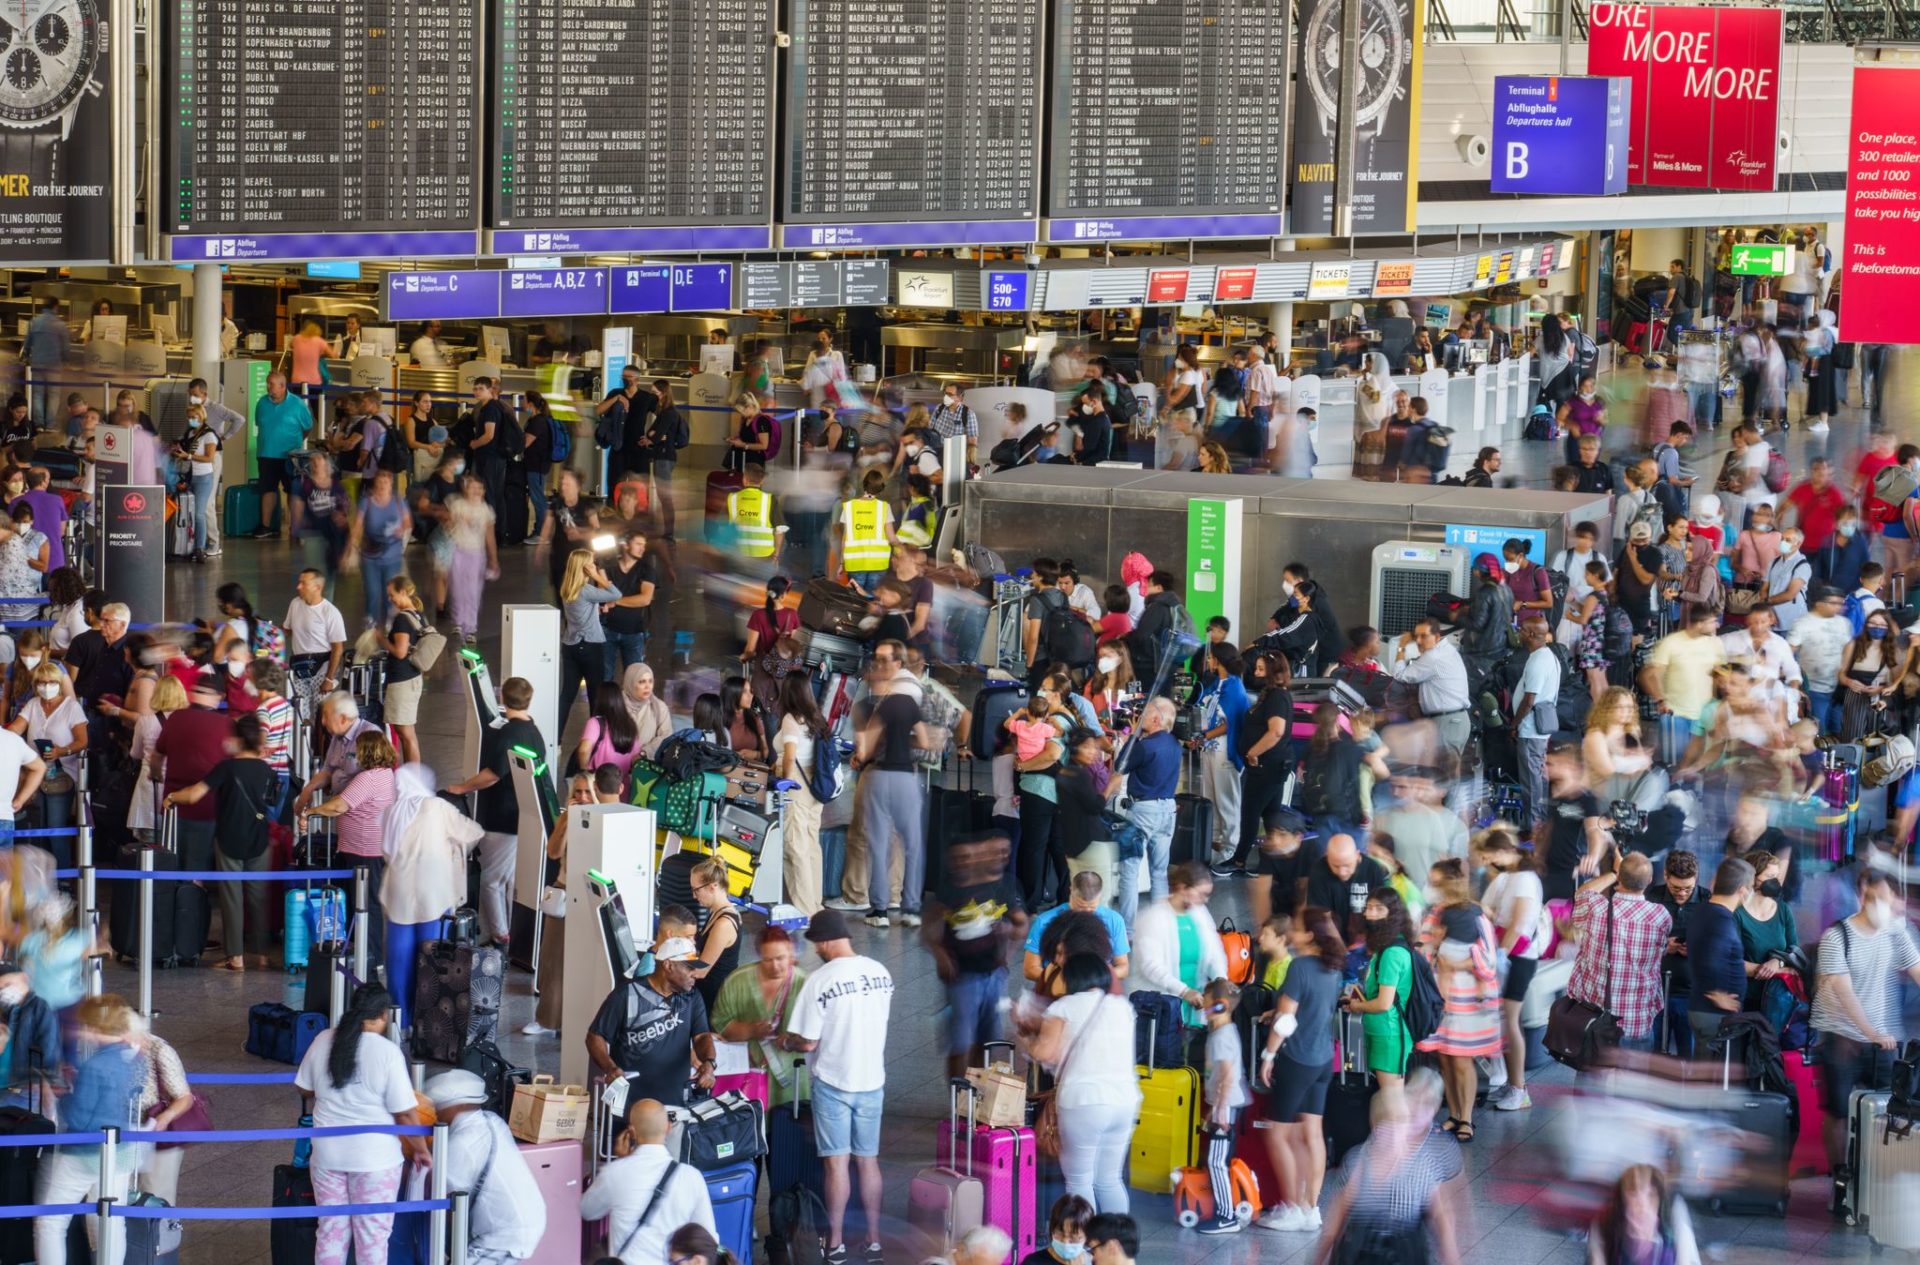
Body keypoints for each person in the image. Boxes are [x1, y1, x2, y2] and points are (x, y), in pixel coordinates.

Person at [779, 910, 895, 1265]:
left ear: (825, 941)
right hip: (872, 1080)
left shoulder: (820, 980)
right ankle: (874, 1241)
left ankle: (837, 1243)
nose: (817, 950)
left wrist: (787, 1041)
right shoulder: (881, 973)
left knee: (837, 1165)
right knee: (869, 1162)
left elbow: (809, 1042)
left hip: (833, 1082)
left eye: (817, 943)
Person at [294, 984, 430, 1265]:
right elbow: (404, 1113)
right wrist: (419, 1148)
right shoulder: (387, 1052)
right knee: (373, 1238)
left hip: (327, 1156)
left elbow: (304, 1089)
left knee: (330, 1232)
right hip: (375, 1161)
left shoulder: (324, 1040)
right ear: (382, 1015)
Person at [1813, 864, 1920, 1168]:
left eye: (1889, 899)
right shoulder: (1837, 937)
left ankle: (1873, 1176)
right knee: (1838, 1112)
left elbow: (1917, 969)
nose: (1885, 906)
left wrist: (1877, 1035)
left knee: (1889, 1109)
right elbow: (1843, 993)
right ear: (1862, 896)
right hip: (1840, 1037)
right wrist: (1869, 1032)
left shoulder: (1896, 931)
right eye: (1878, 898)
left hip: (1882, 1042)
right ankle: (1840, 1176)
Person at [32, 994, 145, 1265]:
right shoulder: (134, 1059)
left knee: (51, 1220)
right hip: (121, 1152)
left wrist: (62, 1096)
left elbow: (79, 1117)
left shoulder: (95, 1066)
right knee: (110, 1222)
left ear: (96, 1028)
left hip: (83, 1154)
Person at [163, 712, 279, 971]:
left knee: (232, 898)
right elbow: (272, 806)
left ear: (238, 739)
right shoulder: (268, 770)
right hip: (260, 839)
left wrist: (172, 796)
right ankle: (261, 955)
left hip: (229, 838)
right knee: (259, 898)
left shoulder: (226, 768)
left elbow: (194, 795)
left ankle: (235, 957)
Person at [1311, 1067, 1464, 1265]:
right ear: (1374, 1127)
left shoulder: (1421, 1166)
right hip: (1378, 1251)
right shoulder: (1358, 1161)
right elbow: (1333, 1225)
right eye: (1387, 1126)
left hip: (1377, 1251)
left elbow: (1442, 1219)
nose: (1393, 1133)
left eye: (1400, 1124)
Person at [1027, 951, 1138, 1215]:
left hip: (1084, 1101)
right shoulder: (1123, 1006)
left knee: (1079, 1181)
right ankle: (1116, 1248)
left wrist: (1025, 1036)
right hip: (1125, 1100)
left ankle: (1083, 1251)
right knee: (1110, 1180)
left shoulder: (1063, 1007)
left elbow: (1045, 1053)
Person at [445, 677, 547, 949]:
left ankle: (501, 934)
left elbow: (492, 775)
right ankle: (508, 930)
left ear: (503, 698)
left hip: (502, 816)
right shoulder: (534, 732)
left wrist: (462, 787)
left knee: (491, 880)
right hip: (522, 816)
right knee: (508, 878)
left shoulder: (508, 734)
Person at [381, 763, 481, 1027]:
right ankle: (426, 1020)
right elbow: (473, 832)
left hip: (398, 894)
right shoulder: (437, 807)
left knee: (398, 959)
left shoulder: (391, 811)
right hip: (433, 895)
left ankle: (398, 1020)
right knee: (431, 959)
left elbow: (386, 850)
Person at [925, 831, 1028, 1078]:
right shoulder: (950, 889)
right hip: (962, 978)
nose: (999, 856)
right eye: (992, 851)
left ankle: (976, 1095)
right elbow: (928, 926)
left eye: (1004, 851)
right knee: (961, 1042)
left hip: (993, 975)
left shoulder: (1004, 884)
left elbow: (1021, 924)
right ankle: (957, 1097)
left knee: (987, 1041)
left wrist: (1008, 945)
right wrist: (940, 953)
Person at [298, 732, 400, 971]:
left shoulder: (369, 778)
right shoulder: (387, 775)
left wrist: (312, 812)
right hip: (371, 848)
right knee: (367, 903)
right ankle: (368, 953)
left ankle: (372, 957)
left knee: (365, 904)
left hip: (363, 851)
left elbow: (339, 806)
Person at [1414, 861, 1500, 1142]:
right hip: (1440, 995)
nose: (1431, 887)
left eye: (1435, 882)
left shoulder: (1475, 915)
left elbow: (1488, 958)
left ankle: (1466, 1118)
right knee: (1446, 1058)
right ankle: (1453, 1113)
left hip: (1466, 998)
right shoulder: (1433, 914)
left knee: (1462, 1059)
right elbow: (1422, 950)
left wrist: (1459, 963)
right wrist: (1435, 951)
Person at [421, 1070, 545, 1264]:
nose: (434, 1112)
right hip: (524, 1221)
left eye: (438, 1107)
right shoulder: (491, 1121)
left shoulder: (462, 1143)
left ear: (457, 1106)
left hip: (503, 1237)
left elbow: (445, 1204)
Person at [578, 1097, 716, 1263]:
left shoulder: (615, 1173)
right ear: (668, 1127)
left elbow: (587, 1210)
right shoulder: (691, 1177)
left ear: (632, 1132)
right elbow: (709, 1237)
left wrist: (621, 1162)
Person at [586, 936, 716, 1109]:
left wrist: (709, 1063)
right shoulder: (627, 994)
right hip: (630, 1101)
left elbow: (701, 1036)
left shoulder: (692, 997)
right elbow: (595, 1037)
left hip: (674, 1101)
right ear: (668, 965)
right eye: (689, 967)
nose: (695, 974)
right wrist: (610, 1068)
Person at [853, 639, 927, 928]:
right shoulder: (909, 703)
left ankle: (880, 912)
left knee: (879, 843)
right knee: (912, 845)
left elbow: (866, 750)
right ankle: (910, 909)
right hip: (907, 777)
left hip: (881, 777)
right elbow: (922, 740)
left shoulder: (880, 708)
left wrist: (864, 754)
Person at [1566, 851, 1672, 1053]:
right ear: (1649, 880)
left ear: (1619, 879)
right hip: (1638, 1018)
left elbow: (1583, 892)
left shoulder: (1596, 908)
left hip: (1595, 1016)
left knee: (1590, 1080)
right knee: (1633, 1082)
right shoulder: (1661, 915)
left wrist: (1614, 872)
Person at [711, 925, 811, 1110]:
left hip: (790, 1074)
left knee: (788, 1126)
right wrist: (751, 1030)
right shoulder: (737, 981)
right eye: (767, 960)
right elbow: (720, 1023)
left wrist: (792, 1041)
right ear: (759, 956)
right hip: (747, 1072)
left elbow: (813, 1034)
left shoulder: (804, 984)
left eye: (780, 958)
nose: (775, 966)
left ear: (791, 954)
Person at [1131, 861, 1227, 1038]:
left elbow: (1215, 952)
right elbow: (1150, 966)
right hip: (1163, 1005)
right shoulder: (1154, 918)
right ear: (1183, 888)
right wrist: (1184, 991)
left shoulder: (1200, 913)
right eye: (1202, 894)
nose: (1205, 900)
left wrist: (1221, 980)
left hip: (1195, 1004)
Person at [1686, 855, 1754, 1051]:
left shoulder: (1703, 911)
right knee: (1713, 1077)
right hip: (1714, 1014)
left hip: (1702, 1009)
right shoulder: (1721, 919)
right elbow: (1711, 958)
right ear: (1742, 891)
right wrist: (1717, 994)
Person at [9, 660, 83, 834]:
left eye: (52, 682)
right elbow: (16, 727)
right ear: (36, 685)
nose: (46, 686)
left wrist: (61, 751)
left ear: (59, 683)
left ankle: (61, 862)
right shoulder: (33, 704)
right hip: (34, 772)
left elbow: (82, 741)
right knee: (37, 826)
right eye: (42, 682)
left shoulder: (71, 707)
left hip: (61, 773)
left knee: (55, 829)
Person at [1390, 620, 1472, 762]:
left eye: (1424, 636)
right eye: (1416, 637)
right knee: (1448, 776)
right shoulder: (1448, 650)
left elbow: (1400, 676)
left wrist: (1402, 646)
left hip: (1447, 722)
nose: (1419, 641)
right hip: (1456, 720)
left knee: (1441, 775)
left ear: (1437, 637)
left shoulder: (1433, 656)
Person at [1587, 1164, 1701, 1265]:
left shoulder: (1673, 1225)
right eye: (1633, 1193)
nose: (1642, 1204)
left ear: (1659, 1201)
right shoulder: (1604, 1228)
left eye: (1650, 1194)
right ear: (1622, 1199)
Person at [340, 469, 412, 629]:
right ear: (374, 484)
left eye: (385, 482)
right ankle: (371, 621)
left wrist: (401, 529)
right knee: (372, 592)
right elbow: (357, 526)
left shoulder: (399, 501)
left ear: (391, 484)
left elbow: (408, 522)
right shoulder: (366, 501)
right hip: (370, 554)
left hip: (392, 555)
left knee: (390, 593)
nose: (382, 486)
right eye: (379, 482)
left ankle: (389, 621)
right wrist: (349, 550)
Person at [557, 548, 621, 715]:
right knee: (596, 696)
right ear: (585, 568)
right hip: (590, 646)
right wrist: (598, 576)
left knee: (567, 694)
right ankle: (595, 738)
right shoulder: (586, 590)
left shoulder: (567, 589)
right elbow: (616, 594)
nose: (594, 565)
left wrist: (595, 611)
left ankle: (556, 739)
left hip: (570, 645)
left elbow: (581, 612)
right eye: (591, 564)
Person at [1513, 616, 1563, 824]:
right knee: (1537, 776)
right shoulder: (1547, 656)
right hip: (1537, 728)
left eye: (1521, 629)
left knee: (1531, 781)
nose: (1518, 633)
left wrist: (1513, 725)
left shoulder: (1538, 661)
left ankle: (1534, 826)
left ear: (1531, 635)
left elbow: (1529, 700)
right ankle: (1538, 822)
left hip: (1530, 729)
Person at [252, 371, 313, 538]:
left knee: (292, 491)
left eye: (272, 384)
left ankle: (295, 527)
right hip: (266, 454)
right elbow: (259, 423)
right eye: (267, 384)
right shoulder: (262, 403)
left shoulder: (297, 404)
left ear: (282, 386)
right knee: (267, 490)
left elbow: (307, 426)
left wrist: (297, 442)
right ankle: (265, 526)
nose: (268, 387)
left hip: (290, 456)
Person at [444, 473, 499, 643]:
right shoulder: (458, 505)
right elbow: (447, 526)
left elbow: (490, 536)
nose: (476, 491)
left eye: (479, 488)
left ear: (483, 491)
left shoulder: (486, 510)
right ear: (466, 489)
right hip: (458, 551)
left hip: (476, 554)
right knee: (458, 588)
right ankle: (458, 622)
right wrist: (454, 521)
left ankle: (471, 626)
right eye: (472, 487)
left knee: (473, 590)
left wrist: (493, 559)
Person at [602, 528, 658, 674]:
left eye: (644, 545)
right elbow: (601, 593)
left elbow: (645, 599)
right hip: (608, 629)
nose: (642, 548)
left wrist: (615, 601)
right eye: (638, 544)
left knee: (634, 677)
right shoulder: (609, 567)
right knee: (605, 675)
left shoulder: (647, 570)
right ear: (626, 545)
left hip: (634, 631)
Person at [689, 857, 742, 1011]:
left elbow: (700, 970)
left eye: (696, 890)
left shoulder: (723, 923)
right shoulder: (716, 912)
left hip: (715, 1001)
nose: (694, 896)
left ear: (713, 886)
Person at [1021, 1195, 1096, 1265]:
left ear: (1087, 1237)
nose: (1065, 1242)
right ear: (1052, 1230)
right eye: (1060, 1234)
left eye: (1073, 1238)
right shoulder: (1033, 1262)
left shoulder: (1096, 1262)